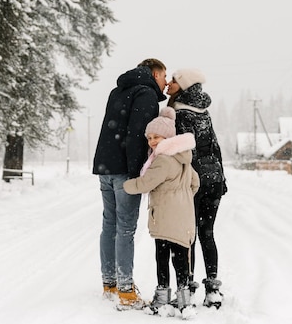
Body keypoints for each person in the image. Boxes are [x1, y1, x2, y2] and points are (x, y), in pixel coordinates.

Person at [92, 58, 168, 309]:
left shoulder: (118, 90)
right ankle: (126, 292)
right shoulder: (145, 93)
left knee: (110, 224)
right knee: (125, 228)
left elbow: (111, 128)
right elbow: (137, 135)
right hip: (125, 169)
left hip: (106, 166)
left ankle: (110, 284)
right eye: (164, 76)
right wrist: (138, 173)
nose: (166, 83)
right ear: (154, 73)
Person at [123, 107, 200, 313]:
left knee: (163, 257)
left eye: (156, 136)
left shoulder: (163, 160)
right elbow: (195, 183)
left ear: (167, 136)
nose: (152, 141)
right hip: (183, 216)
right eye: (149, 137)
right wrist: (181, 198)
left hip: (166, 216)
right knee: (182, 258)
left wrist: (125, 186)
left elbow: (145, 184)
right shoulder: (183, 157)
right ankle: (184, 299)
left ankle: (162, 297)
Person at [167, 68, 227, 309]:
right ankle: (212, 289)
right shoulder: (204, 110)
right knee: (208, 233)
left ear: (183, 85)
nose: (170, 83)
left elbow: (180, 151)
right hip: (214, 177)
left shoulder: (178, 113)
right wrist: (221, 177)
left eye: (174, 80)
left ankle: (188, 287)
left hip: (192, 179)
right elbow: (214, 145)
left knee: (187, 235)